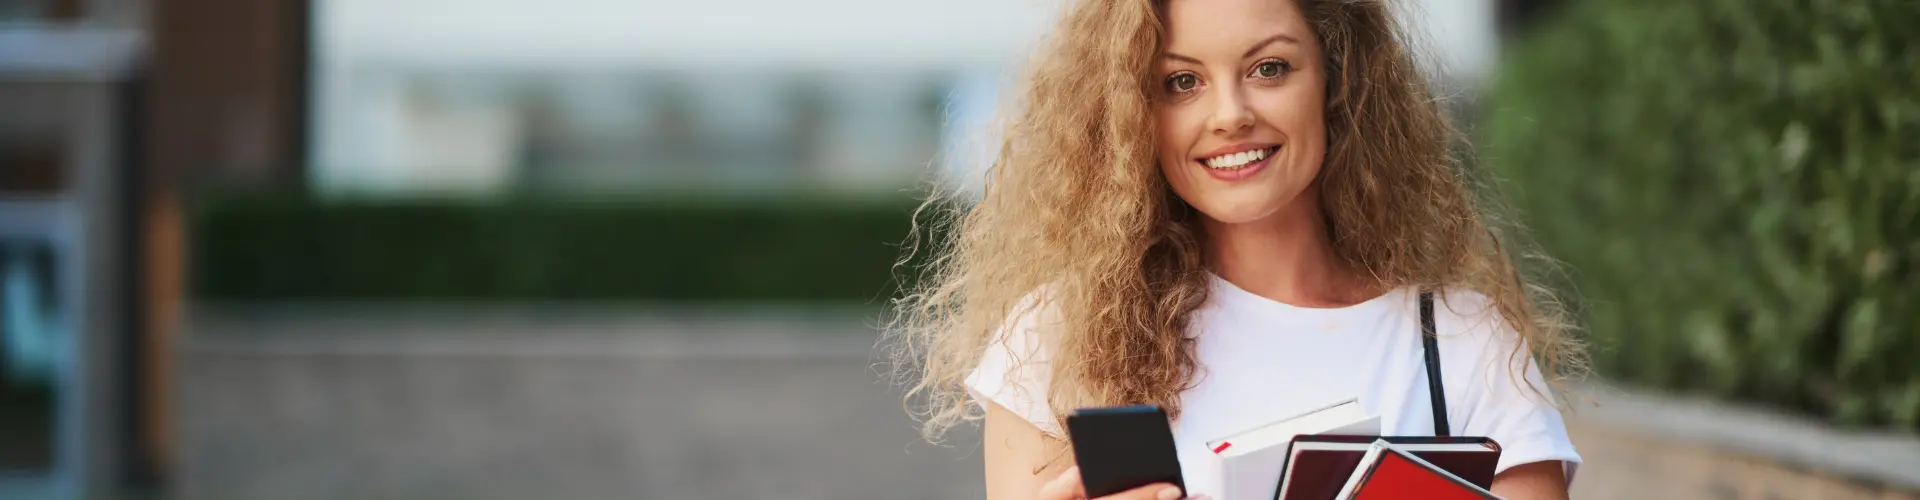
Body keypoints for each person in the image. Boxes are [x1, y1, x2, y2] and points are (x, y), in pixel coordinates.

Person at [886, 0, 1587, 498]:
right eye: (1181, 82)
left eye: (1269, 68)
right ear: (1132, 113)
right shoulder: (1055, 340)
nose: (1229, 115)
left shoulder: (1464, 342)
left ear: (1337, 80)